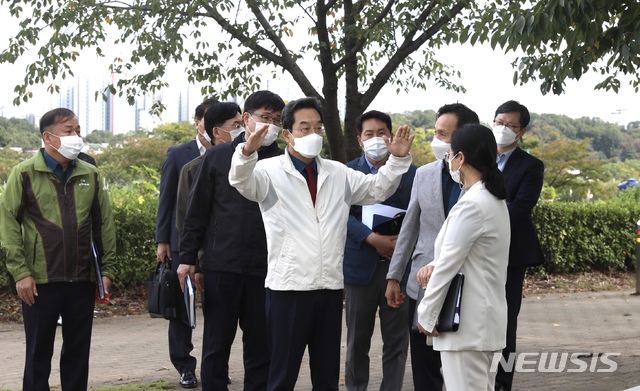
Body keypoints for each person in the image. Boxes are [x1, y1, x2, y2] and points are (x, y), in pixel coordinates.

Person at [228, 97, 414, 391]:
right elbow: (241, 182)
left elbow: (377, 188)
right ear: (288, 134)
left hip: (329, 288)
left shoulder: (337, 173)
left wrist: (398, 161)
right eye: (304, 128)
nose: (313, 134)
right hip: (288, 289)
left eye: (318, 128)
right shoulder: (269, 172)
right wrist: (247, 152)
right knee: (282, 375)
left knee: (327, 376)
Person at [0, 108, 117, 390]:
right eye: (68, 131)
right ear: (48, 137)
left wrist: (108, 270)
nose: (76, 136)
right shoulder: (24, 173)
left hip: (82, 279)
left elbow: (104, 226)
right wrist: (21, 273)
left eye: (78, 130)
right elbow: (7, 225)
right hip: (40, 280)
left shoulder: (91, 173)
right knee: (38, 354)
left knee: (78, 355)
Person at [178, 90, 286, 391]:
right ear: (247, 119)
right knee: (216, 343)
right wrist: (189, 260)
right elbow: (197, 212)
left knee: (261, 346)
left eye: (277, 120)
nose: (271, 125)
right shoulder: (217, 156)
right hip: (221, 265)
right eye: (266, 118)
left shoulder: (283, 161)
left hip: (267, 269)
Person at [385, 103, 479, 390]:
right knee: (425, 371)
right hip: (421, 287)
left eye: (443, 134)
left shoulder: (480, 183)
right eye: (436, 133)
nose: (437, 140)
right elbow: (410, 227)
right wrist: (394, 276)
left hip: (466, 288)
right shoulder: (423, 174)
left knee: (460, 371)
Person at [416, 123, 510, 391]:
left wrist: (427, 314)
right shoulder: (491, 199)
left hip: (468, 327)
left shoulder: (472, 204)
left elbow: (448, 264)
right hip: (481, 324)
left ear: (461, 158)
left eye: (450, 154)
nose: (448, 161)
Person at [343, 110, 417, 391]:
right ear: (360, 140)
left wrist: (400, 243)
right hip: (359, 266)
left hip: (398, 269)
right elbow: (340, 214)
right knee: (356, 342)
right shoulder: (347, 171)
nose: (376, 139)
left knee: (397, 342)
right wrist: (372, 238)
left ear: (392, 135)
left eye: (382, 133)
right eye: (369, 134)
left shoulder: (413, 173)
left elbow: (419, 214)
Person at [155, 97, 218, 388]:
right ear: (198, 122)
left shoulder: (232, 153)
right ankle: (185, 366)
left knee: (218, 309)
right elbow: (166, 198)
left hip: (218, 245)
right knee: (183, 309)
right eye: (209, 120)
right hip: (183, 242)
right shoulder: (179, 154)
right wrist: (163, 240)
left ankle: (215, 365)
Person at [491, 100, 545, 391]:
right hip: (476, 254)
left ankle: (502, 384)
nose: (503, 129)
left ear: (521, 131)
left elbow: (520, 207)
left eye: (510, 125)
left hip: (510, 255)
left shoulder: (531, 166)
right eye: (499, 122)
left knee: (505, 321)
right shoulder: (477, 159)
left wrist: (483, 223)